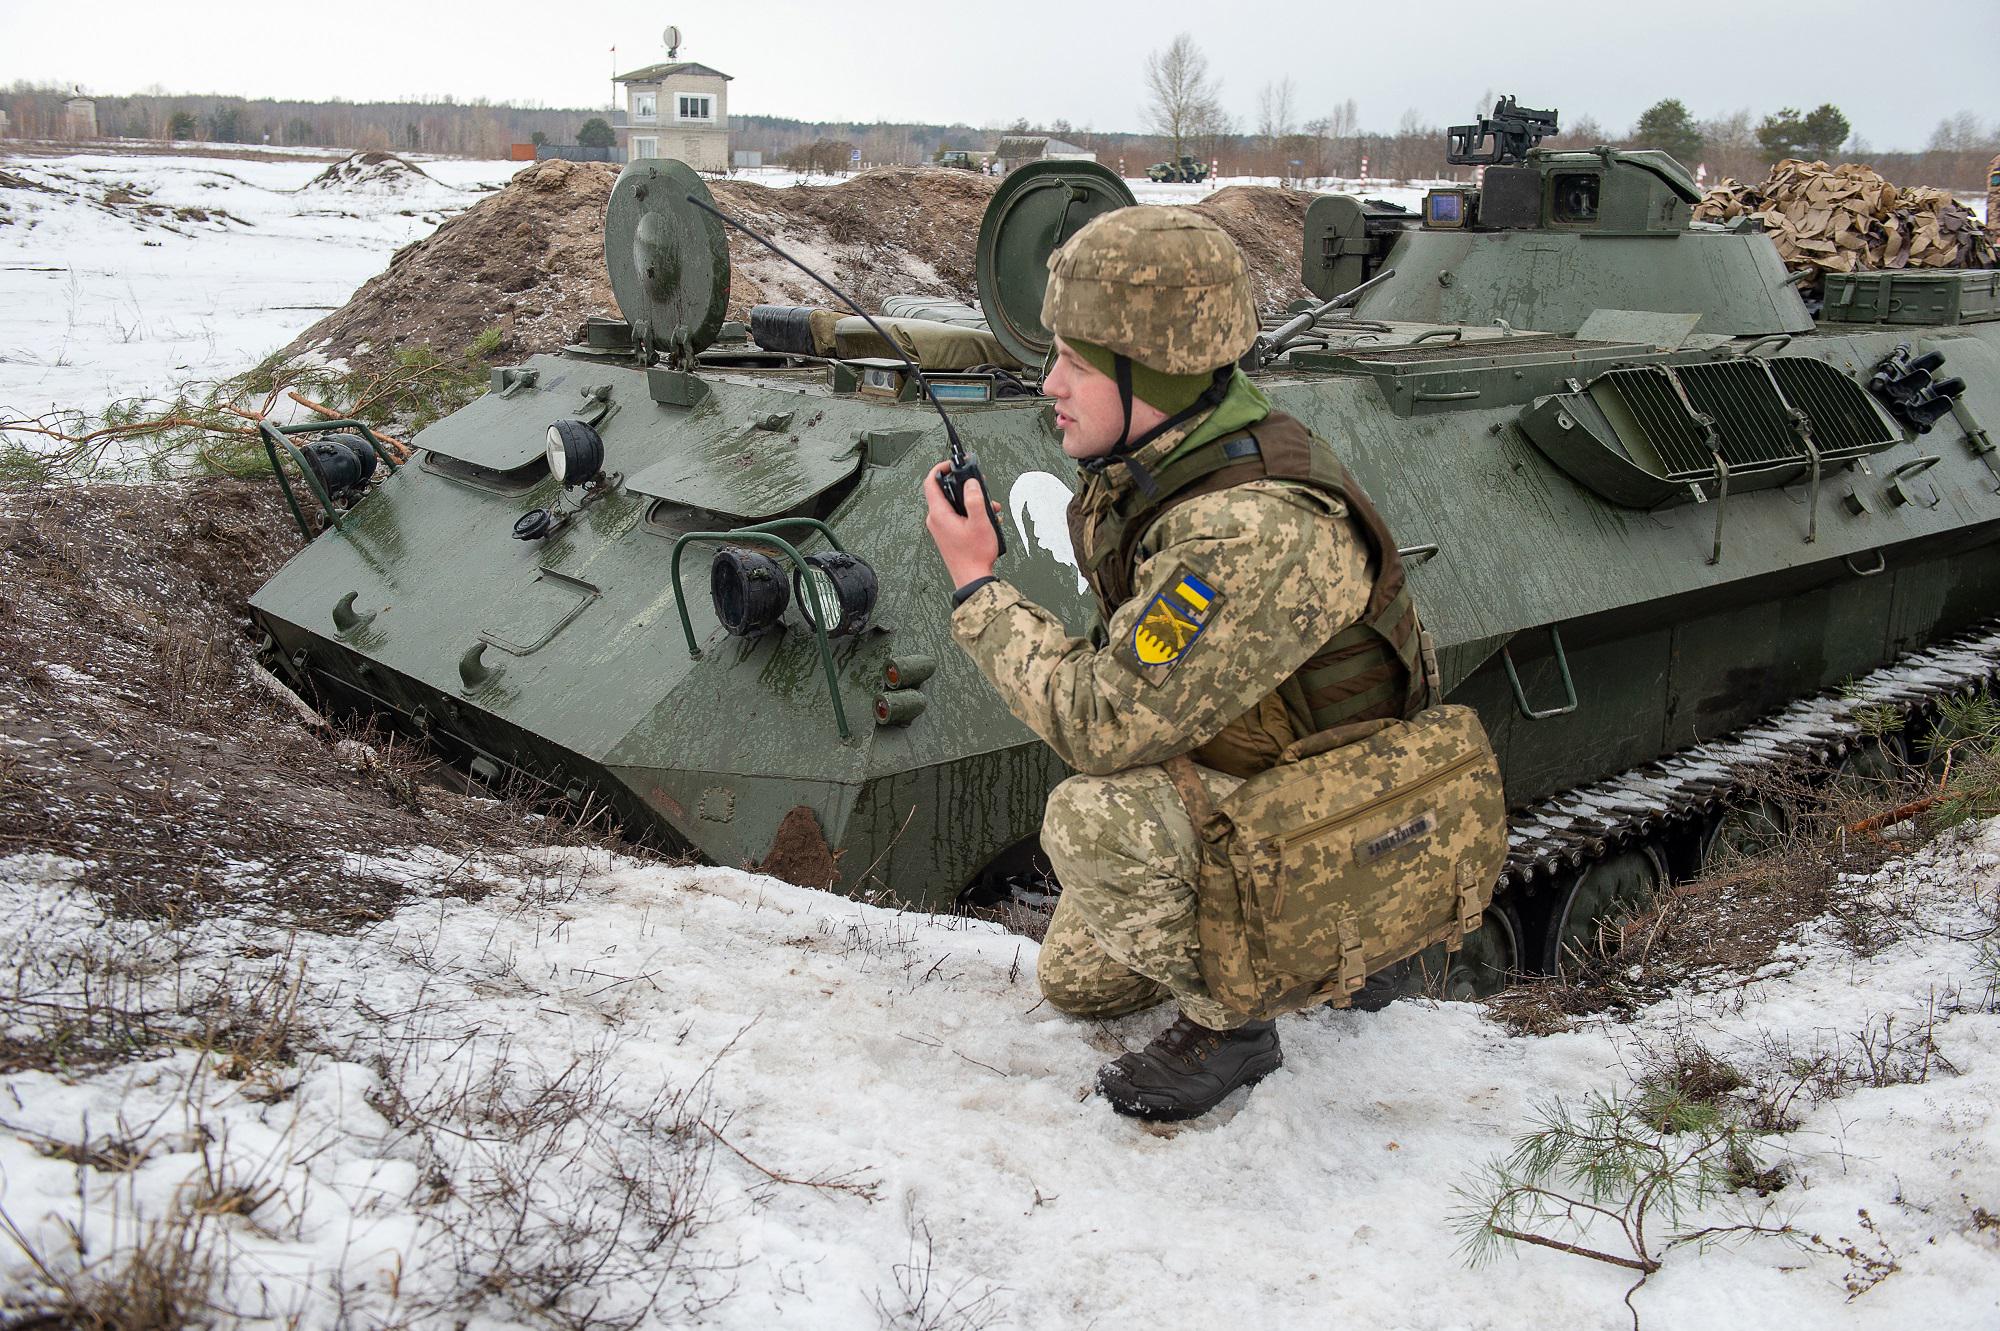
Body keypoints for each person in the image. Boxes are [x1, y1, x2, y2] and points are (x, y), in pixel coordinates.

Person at [921, 206, 1431, 1121]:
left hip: (1349, 825)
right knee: (1077, 978)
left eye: (1076, 363)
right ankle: (1306, 951)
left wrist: (976, 585)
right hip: (1273, 781)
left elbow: (1100, 724)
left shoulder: (1246, 528)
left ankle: (1239, 1023)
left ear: (1149, 370)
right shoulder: (1171, 463)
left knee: (1092, 820)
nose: (1050, 384)